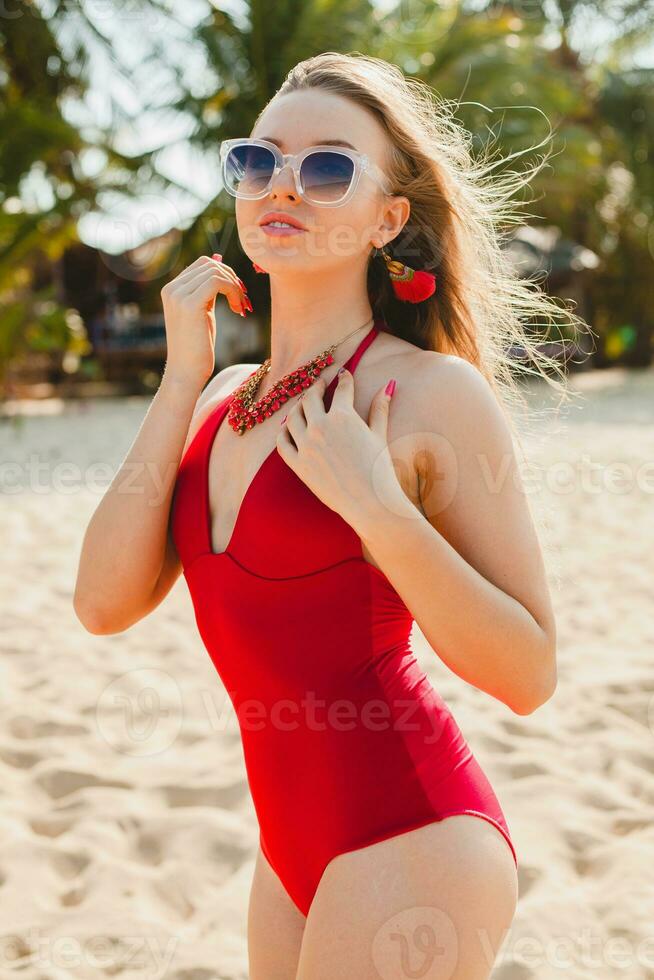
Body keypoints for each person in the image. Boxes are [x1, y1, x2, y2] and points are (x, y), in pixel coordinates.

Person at [75, 52, 575, 980]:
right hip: (288, 856)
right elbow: (102, 603)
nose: (284, 188)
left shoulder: (431, 395)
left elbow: (530, 672)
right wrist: (182, 377)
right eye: (258, 162)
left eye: (329, 168)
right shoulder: (221, 396)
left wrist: (382, 513)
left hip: (415, 834)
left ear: (390, 219)